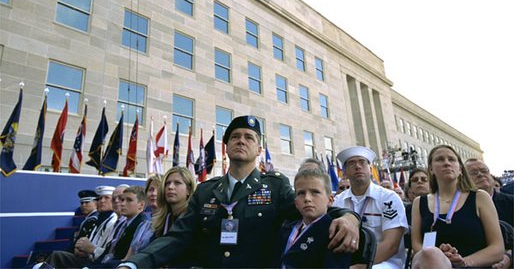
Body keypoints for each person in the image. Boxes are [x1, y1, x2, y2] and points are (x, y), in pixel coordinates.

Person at [119, 115, 361, 268]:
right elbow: (177, 237)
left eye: (248, 137)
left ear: (258, 149)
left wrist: (349, 217)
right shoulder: (206, 191)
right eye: (235, 137)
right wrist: (133, 264)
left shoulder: (275, 187)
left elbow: (311, 209)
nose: (241, 141)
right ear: (226, 148)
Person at [411, 145, 504, 268]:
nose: (446, 163)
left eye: (452, 159)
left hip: (473, 266)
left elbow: (497, 248)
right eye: (440, 159)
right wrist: (439, 258)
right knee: (431, 253)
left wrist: (463, 262)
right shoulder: (419, 202)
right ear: (431, 169)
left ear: (460, 169)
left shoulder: (480, 197)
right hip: (432, 263)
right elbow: (417, 245)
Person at [333, 146, 408, 268]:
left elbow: (391, 246)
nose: (358, 166)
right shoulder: (338, 201)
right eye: (352, 163)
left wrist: (364, 265)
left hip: (385, 262)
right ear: (345, 172)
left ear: (370, 168)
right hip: (347, 261)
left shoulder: (389, 198)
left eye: (362, 162)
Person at [275, 168, 352, 268]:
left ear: (330, 200)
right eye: (301, 193)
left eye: (315, 192)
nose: (307, 198)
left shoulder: (334, 233)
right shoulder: (286, 229)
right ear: (296, 203)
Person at [42, 186, 117, 269]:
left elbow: (107, 252)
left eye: (107, 198)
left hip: (97, 261)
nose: (102, 201)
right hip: (89, 257)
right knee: (56, 255)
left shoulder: (112, 221)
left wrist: (89, 251)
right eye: (99, 198)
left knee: (57, 256)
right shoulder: (101, 219)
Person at [465, 158, 513, 268]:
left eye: (484, 170)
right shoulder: (460, 208)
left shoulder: (511, 203)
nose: (480, 174)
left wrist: (509, 257)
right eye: (473, 173)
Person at [122, 175, 163, 260]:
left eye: (158, 190)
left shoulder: (168, 223)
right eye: (150, 190)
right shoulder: (143, 225)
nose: (153, 193)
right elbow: (127, 258)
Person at [152, 166, 197, 238]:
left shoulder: (193, 220)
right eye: (167, 183)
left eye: (177, 183)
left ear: (188, 189)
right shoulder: (161, 220)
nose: (170, 187)